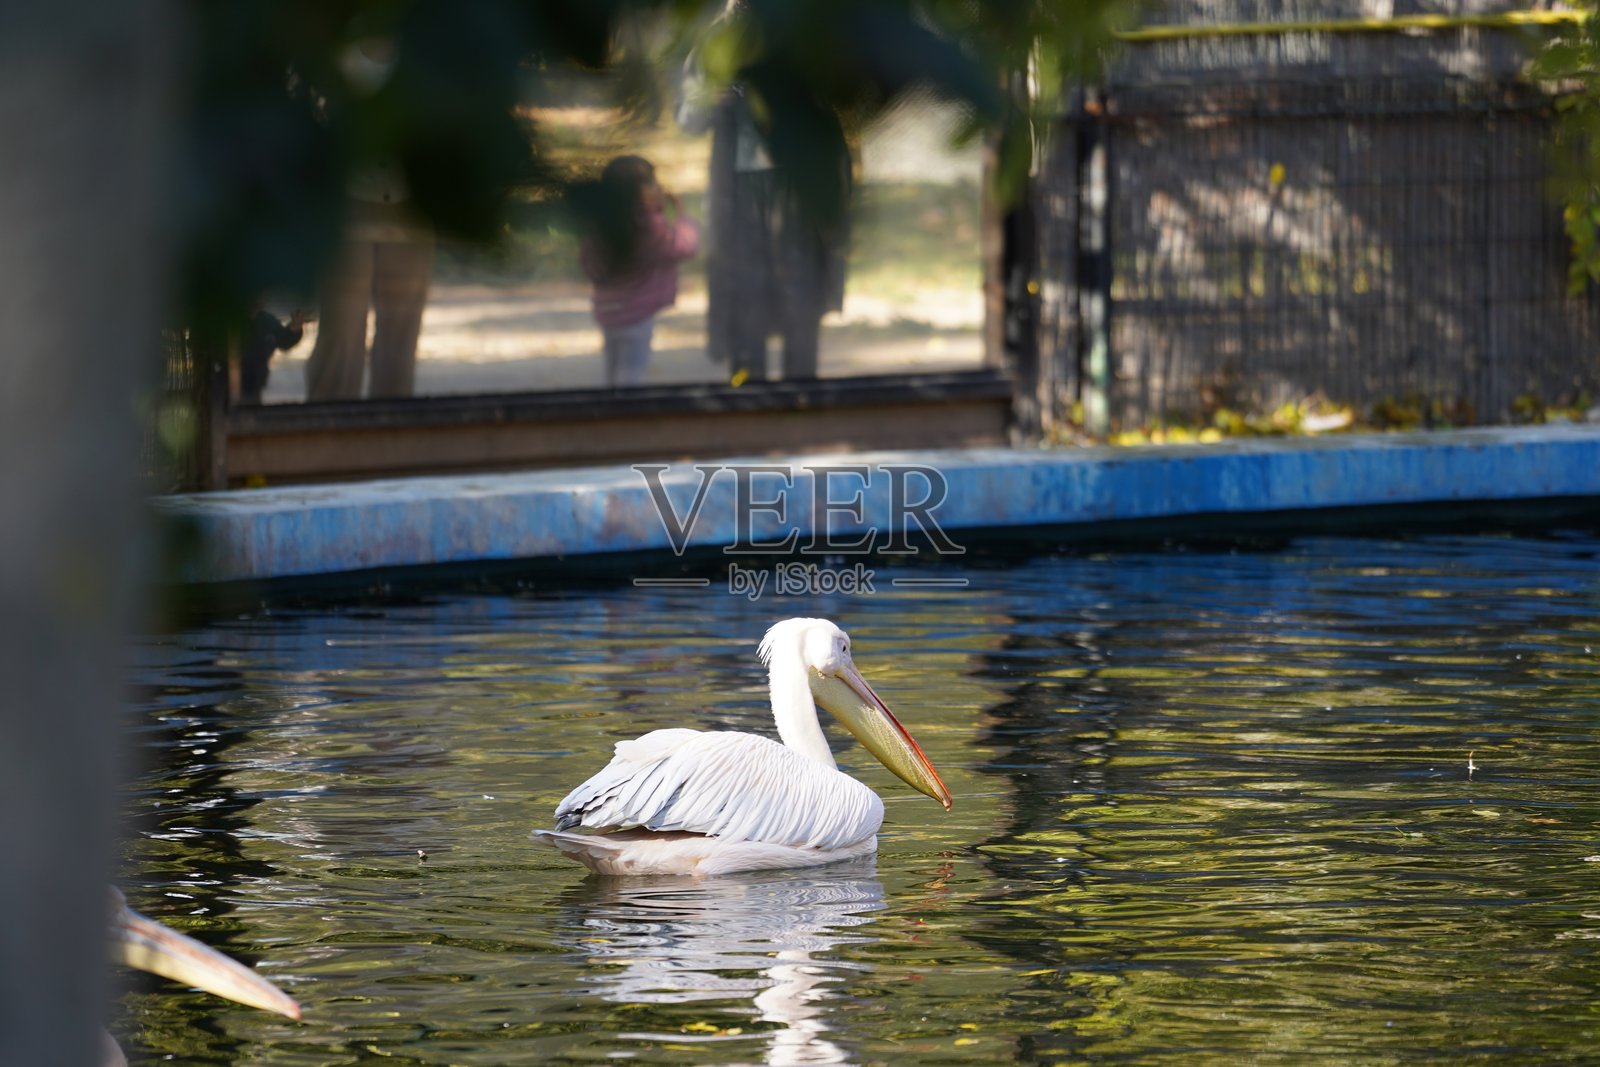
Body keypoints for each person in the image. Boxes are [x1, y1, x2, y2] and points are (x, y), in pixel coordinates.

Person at [677, 8, 850, 383]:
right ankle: (745, 394)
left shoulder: (810, 28)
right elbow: (688, 118)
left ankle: (802, 395)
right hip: (739, 190)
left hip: (799, 187)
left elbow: (847, 94)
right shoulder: (718, 40)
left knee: (801, 294)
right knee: (744, 297)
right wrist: (710, 98)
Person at [304, 37, 434, 402]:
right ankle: (326, 425)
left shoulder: (427, 47)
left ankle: (393, 427)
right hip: (348, 207)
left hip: (412, 209)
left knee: (401, 329)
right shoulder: (336, 57)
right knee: (342, 326)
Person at [579, 155, 700, 388]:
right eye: (653, 184)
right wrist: (683, 219)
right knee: (632, 374)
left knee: (613, 370)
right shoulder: (648, 226)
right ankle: (627, 418)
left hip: (606, 310)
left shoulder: (601, 224)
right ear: (636, 194)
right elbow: (683, 247)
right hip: (636, 314)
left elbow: (587, 261)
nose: (660, 189)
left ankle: (611, 414)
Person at [238, 305, 309, 406]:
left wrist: (294, 329)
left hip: (254, 383)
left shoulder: (266, 321)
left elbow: (284, 339)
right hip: (224, 384)